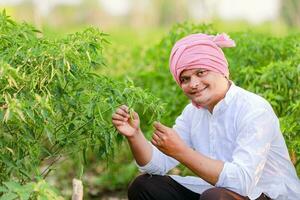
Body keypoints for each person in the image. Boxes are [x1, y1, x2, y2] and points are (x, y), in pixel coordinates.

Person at [111, 33, 300, 200]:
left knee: (215, 197)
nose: (193, 84)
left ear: (222, 71)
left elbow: (242, 183)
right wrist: (134, 135)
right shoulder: (193, 112)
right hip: (218, 192)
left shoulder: (254, 109)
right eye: (185, 79)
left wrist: (181, 152)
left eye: (201, 73)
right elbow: (156, 165)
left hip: (266, 195)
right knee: (145, 187)